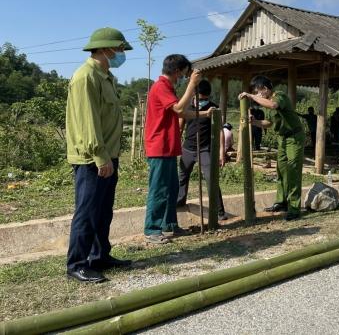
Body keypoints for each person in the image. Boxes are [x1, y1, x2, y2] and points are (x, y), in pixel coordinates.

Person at [65, 27, 134, 283]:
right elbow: (88, 122)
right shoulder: (86, 77)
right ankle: (77, 264)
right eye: (120, 49)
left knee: (104, 210)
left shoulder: (107, 77)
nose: (121, 54)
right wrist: (100, 156)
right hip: (92, 158)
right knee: (87, 211)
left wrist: (109, 156)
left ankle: (100, 256)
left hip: (108, 154)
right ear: (106, 49)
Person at [144, 55, 201, 244]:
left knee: (171, 189)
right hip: (159, 147)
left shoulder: (167, 88)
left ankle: (169, 224)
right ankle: (152, 229)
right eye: (185, 73)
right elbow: (178, 109)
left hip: (167, 147)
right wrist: (192, 85)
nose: (185, 76)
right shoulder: (160, 87)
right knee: (159, 189)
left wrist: (203, 114)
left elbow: (182, 111)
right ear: (177, 71)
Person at [239, 76, 305, 221]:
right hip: (282, 138)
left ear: (266, 88)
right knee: (281, 170)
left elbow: (273, 105)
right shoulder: (266, 103)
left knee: (293, 170)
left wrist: (250, 96)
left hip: (294, 137)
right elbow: (269, 123)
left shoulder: (279, 96)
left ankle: (294, 208)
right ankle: (281, 202)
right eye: (255, 92)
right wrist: (254, 122)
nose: (257, 94)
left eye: (258, 91)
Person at [178, 79, 228, 220]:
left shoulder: (214, 109)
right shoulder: (187, 106)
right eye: (200, 98)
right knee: (182, 176)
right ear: (194, 94)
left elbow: (220, 131)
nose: (202, 101)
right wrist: (176, 145)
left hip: (205, 149)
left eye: (205, 98)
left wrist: (221, 153)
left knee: (211, 178)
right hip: (187, 148)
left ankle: (219, 211)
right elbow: (180, 127)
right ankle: (179, 201)